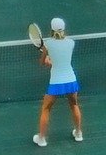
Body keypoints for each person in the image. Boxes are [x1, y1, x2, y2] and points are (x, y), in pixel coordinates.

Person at [33, 16, 83, 147]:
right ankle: (78, 133)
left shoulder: (48, 45)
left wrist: (48, 58)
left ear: (51, 29)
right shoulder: (71, 42)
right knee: (74, 105)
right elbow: (62, 60)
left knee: (46, 109)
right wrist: (52, 60)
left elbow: (43, 62)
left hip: (56, 82)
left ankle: (42, 139)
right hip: (71, 80)